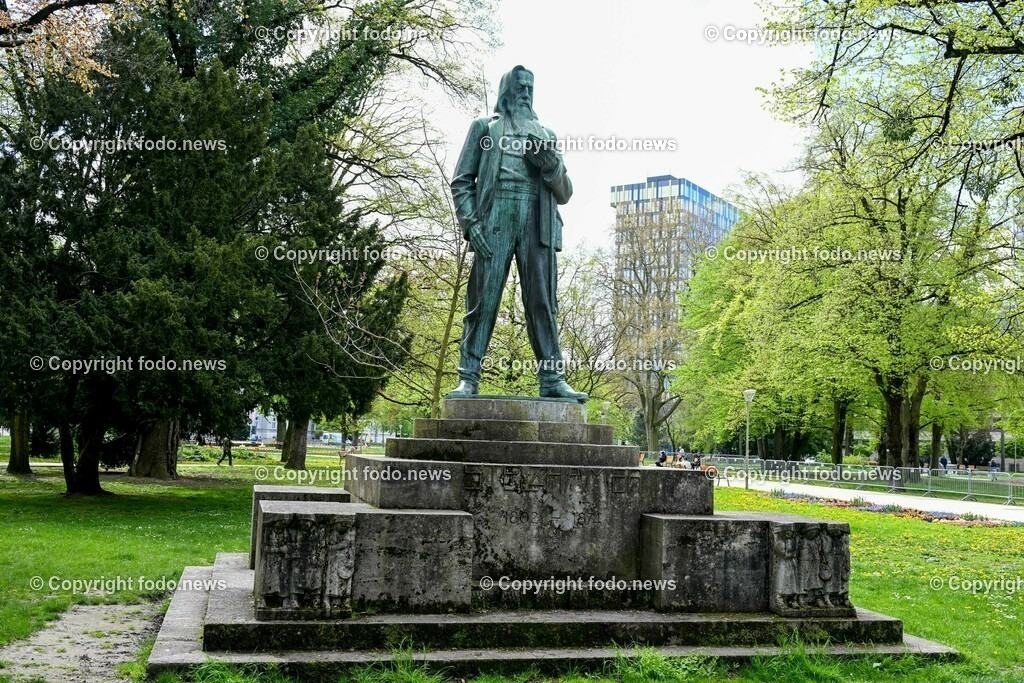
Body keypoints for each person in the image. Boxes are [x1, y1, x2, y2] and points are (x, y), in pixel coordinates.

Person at [447, 66, 587, 402]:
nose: (525, 93)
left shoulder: (546, 135)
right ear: (507, 91)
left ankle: (552, 379)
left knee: (542, 302)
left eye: (530, 88)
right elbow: (462, 181)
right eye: (519, 87)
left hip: (537, 222)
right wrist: (471, 225)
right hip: (495, 217)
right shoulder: (485, 129)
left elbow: (565, 192)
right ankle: (469, 377)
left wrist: (550, 166)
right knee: (483, 301)